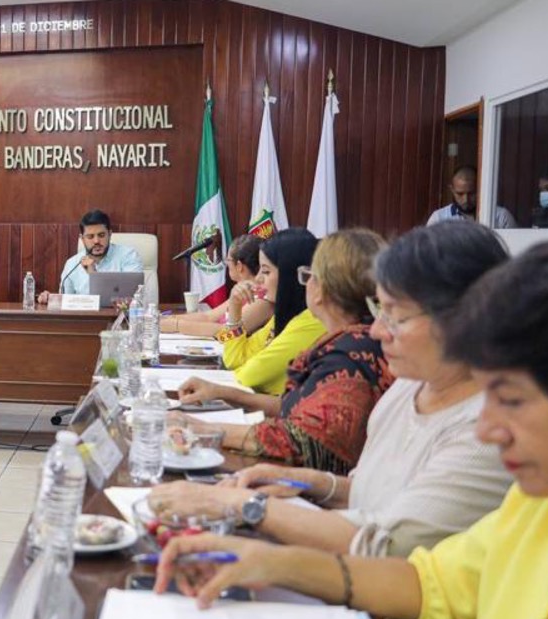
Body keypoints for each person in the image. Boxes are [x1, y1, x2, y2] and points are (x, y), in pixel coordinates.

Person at [149, 241, 548, 619]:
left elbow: (388, 547)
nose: (488, 427)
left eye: (510, 400)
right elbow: (429, 585)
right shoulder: (537, 505)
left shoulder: (500, 457)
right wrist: (270, 560)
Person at [151, 223, 514, 556]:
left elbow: (387, 547)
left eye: (395, 316)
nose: (377, 330)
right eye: (378, 309)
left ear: (463, 319)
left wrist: (243, 505)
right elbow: (370, 491)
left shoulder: (487, 433)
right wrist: (308, 484)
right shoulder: (410, 386)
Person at [171, 228, 392, 474]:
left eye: (308, 276)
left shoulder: (350, 351)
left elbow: (304, 442)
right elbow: (293, 403)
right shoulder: (336, 334)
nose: (259, 279)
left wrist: (196, 428)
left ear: (321, 289)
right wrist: (222, 392)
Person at [203, 228, 325, 395]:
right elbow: (234, 359)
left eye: (266, 271)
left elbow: (244, 375)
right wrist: (234, 311)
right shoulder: (282, 316)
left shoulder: (311, 321)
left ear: (290, 273)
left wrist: (175, 324)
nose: (259, 278)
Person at [162, 234, 273, 337]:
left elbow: (229, 334)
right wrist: (167, 319)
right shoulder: (242, 291)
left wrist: (177, 325)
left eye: (228, 260)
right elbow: (208, 317)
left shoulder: (263, 300)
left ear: (239, 266)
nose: (227, 264)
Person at [35, 209, 143, 303]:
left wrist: (93, 274)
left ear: (110, 234)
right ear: (82, 239)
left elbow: (134, 297)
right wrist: (51, 299)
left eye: (101, 235)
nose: (96, 241)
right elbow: (66, 302)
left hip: (120, 318)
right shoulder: (72, 264)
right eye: (90, 237)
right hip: (83, 319)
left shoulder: (128, 256)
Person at [426, 165, 517, 229]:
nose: (466, 199)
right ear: (452, 190)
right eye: (460, 194)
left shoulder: (500, 217)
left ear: (481, 188)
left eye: (472, 193)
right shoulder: (439, 218)